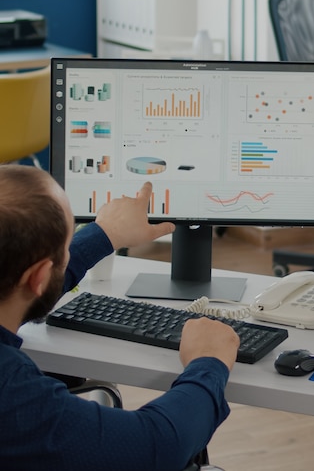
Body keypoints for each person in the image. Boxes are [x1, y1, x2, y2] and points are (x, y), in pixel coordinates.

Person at [0, 164, 240, 471]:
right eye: (65, 254)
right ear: (39, 277)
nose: (67, 260)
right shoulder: (14, 395)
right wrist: (209, 363)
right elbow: (159, 445)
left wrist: (104, 235)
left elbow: (22, 283)